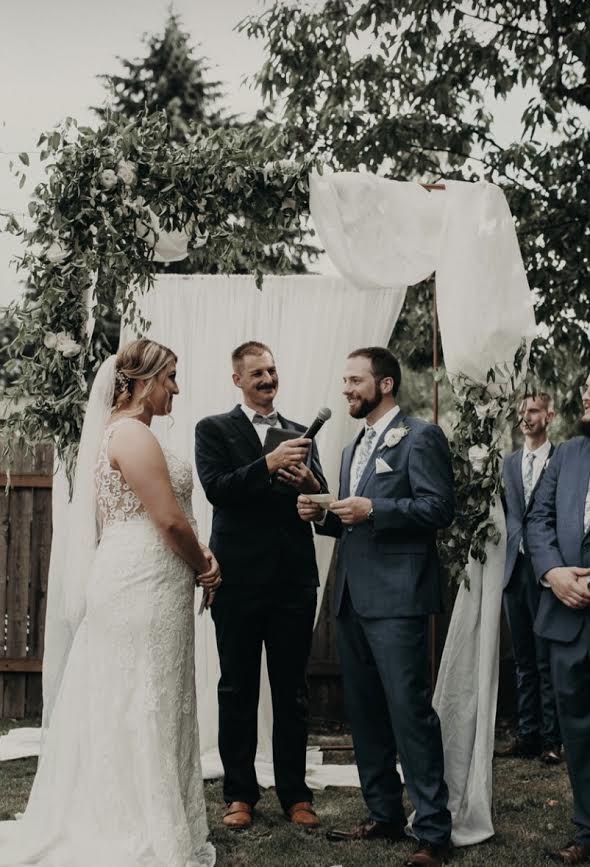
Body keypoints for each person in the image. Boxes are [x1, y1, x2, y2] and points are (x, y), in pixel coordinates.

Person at [0, 338, 220, 867]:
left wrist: (198, 555)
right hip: (141, 581)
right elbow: (168, 521)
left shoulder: (124, 433)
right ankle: (132, 824)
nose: (176, 389)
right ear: (143, 381)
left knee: (148, 694)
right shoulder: (131, 436)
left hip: (148, 575)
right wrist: (205, 564)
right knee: (140, 695)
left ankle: (144, 814)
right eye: (170, 377)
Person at [298, 346, 454, 867]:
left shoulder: (420, 436)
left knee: (410, 712)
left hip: (398, 597)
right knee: (364, 713)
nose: (346, 388)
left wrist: (376, 508)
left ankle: (432, 830)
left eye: (355, 380)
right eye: (344, 380)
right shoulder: (351, 449)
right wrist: (321, 515)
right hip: (350, 596)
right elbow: (351, 521)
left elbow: (439, 508)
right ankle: (383, 812)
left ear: (385, 384)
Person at [195, 340, 327, 831]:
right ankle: (239, 794)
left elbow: (322, 500)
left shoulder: (301, 432)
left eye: (272, 370)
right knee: (237, 688)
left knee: (292, 691)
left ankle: (296, 794)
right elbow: (218, 489)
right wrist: (269, 465)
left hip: (293, 580)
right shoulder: (212, 429)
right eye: (258, 374)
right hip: (238, 581)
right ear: (238, 380)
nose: (268, 380)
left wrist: (309, 483)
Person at [527, 373, 590, 865]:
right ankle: (588, 830)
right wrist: (552, 572)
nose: (585, 393)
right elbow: (538, 519)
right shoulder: (568, 454)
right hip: (568, 614)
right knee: (578, 729)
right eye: (585, 386)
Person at [496, 393, 561, 763]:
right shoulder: (508, 463)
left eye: (533, 410)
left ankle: (552, 739)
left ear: (549, 415)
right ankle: (528, 735)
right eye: (521, 411)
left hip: (547, 570)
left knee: (546, 657)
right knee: (522, 659)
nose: (526, 417)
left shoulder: (561, 460)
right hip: (514, 570)